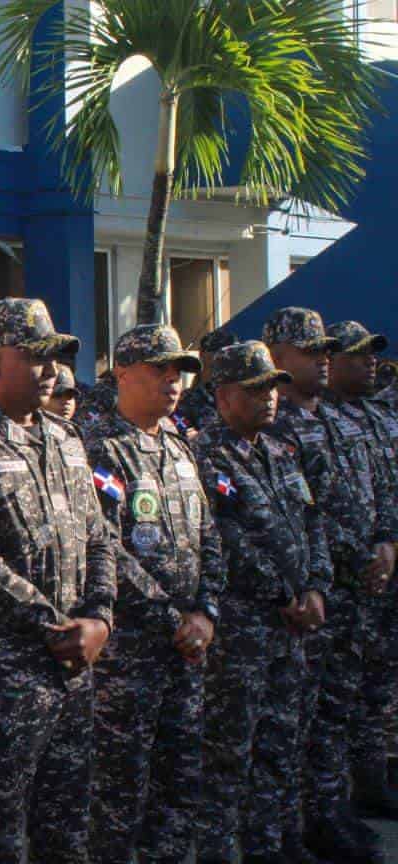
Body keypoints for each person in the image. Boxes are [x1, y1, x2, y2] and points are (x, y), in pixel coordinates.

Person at [0, 297, 117, 864]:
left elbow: (101, 535)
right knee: (0, 833)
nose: (50, 370)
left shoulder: (66, 438)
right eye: (34, 356)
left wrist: (100, 618)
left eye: (54, 356)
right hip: (5, 677)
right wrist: (55, 625)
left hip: (75, 669)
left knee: (68, 827)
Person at [82, 324, 224, 864]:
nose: (173, 380)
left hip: (186, 651)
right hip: (130, 656)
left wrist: (206, 612)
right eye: (160, 368)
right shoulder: (100, 448)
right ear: (123, 372)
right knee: (119, 793)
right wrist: (172, 618)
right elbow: (104, 547)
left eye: (180, 371)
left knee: (180, 783)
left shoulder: (180, 446)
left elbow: (208, 534)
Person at [191, 341, 332, 864]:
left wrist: (316, 585)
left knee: (282, 744)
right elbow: (224, 537)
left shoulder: (279, 450)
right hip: (244, 631)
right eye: (255, 389)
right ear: (224, 395)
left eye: (273, 385)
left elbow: (311, 521)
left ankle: (271, 845)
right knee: (230, 754)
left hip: (291, 628)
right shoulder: (206, 454)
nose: (269, 397)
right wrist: (283, 593)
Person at [263, 307, 383, 862]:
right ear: (279, 358)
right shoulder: (274, 425)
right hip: (310, 594)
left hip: (352, 590)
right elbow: (298, 516)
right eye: (312, 351)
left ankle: (330, 812)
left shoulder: (333, 417)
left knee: (337, 710)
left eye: (326, 350)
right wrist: (348, 558)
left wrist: (384, 544)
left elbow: (364, 496)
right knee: (296, 722)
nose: (324, 359)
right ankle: (298, 825)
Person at [324, 320, 398, 824]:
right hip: (342, 580)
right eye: (358, 354)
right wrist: (363, 555)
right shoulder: (314, 420)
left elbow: (389, 489)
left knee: (378, 687)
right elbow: (320, 504)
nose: (369, 361)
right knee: (336, 692)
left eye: (373, 354)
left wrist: (388, 544)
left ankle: (373, 783)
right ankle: (332, 801)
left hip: (384, 571)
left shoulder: (379, 417)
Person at [174, 327, 239, 437]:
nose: (228, 360)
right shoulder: (185, 402)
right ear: (203, 355)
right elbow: (184, 431)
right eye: (221, 353)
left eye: (234, 355)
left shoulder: (239, 397)